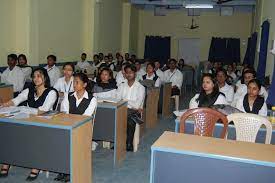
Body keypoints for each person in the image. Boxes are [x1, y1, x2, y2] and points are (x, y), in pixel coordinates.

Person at [0, 67, 58, 181]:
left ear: (45, 77)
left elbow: (43, 110)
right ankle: (7, 162)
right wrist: (4, 105)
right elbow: (16, 100)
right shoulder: (29, 90)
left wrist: (25, 109)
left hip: (44, 124)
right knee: (9, 133)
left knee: (35, 136)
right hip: (28, 121)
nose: (36, 79)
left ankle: (36, 165)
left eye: (39, 76)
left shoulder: (51, 92)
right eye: (34, 76)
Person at [59, 73, 97, 182]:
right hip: (68, 126)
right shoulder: (68, 96)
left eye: (77, 82)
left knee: (71, 142)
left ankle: (69, 170)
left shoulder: (92, 99)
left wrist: (72, 122)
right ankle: (63, 169)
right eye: (73, 82)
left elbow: (85, 117)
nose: (74, 85)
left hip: (82, 129)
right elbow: (65, 113)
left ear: (84, 84)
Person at [116, 64, 145, 151]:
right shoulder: (122, 85)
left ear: (135, 74)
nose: (128, 74)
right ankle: (120, 142)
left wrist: (124, 100)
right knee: (117, 117)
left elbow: (137, 105)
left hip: (135, 113)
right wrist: (128, 102)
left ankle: (128, 143)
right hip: (122, 110)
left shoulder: (140, 87)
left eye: (131, 72)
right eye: (127, 73)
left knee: (130, 119)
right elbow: (117, 99)